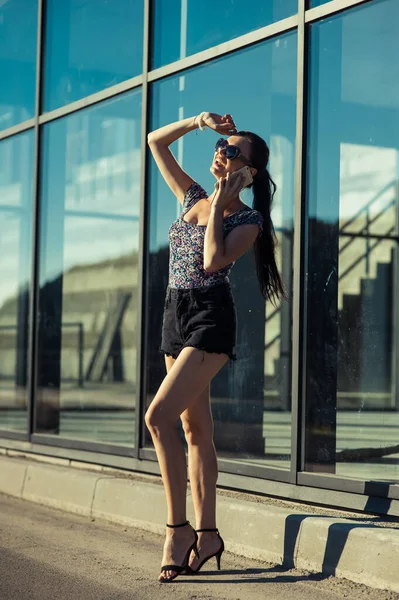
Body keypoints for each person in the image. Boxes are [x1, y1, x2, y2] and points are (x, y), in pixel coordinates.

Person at [146, 112, 285, 583]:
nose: (221, 152)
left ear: (250, 173)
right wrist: (199, 122)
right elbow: (154, 142)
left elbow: (210, 261)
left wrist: (225, 200)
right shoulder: (192, 196)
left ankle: (177, 529)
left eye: (231, 151)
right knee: (193, 429)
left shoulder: (249, 220)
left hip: (209, 317)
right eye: (221, 146)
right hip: (173, 313)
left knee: (157, 417)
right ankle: (208, 536)